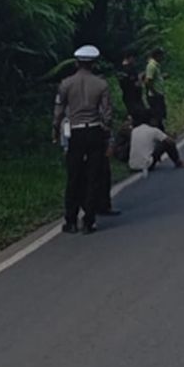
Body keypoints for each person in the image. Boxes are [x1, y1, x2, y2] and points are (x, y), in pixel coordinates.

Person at [53, 45, 112, 235]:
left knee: (73, 177)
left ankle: (70, 220)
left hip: (75, 133)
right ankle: (89, 221)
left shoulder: (66, 84)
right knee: (94, 177)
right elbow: (107, 114)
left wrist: (55, 131)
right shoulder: (101, 85)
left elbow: (59, 113)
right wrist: (107, 134)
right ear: (93, 64)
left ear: (77, 63)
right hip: (94, 132)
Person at [118, 54, 150, 125]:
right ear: (129, 58)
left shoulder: (121, 69)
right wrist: (141, 80)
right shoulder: (128, 69)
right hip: (134, 97)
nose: (134, 60)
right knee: (140, 115)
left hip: (128, 96)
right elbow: (134, 84)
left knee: (134, 114)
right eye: (133, 58)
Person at [144, 48, 168, 131]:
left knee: (161, 114)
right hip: (155, 95)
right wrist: (155, 92)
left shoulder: (156, 65)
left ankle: (162, 132)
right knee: (157, 115)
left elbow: (154, 78)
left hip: (159, 94)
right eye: (161, 56)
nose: (162, 58)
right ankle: (159, 133)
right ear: (157, 56)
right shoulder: (151, 66)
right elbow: (148, 81)